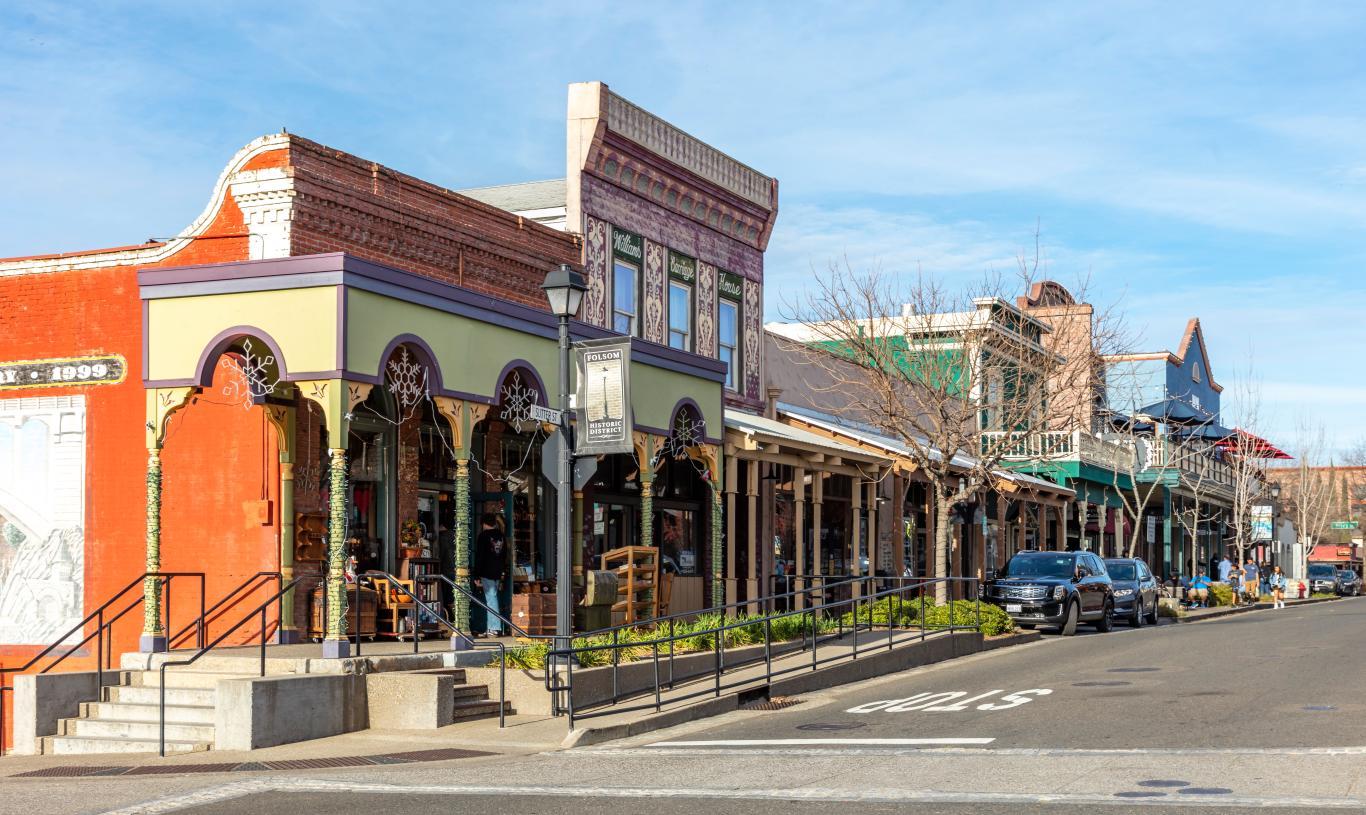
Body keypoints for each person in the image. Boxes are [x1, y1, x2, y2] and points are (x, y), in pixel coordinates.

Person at [473, 513, 508, 638]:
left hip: (486, 571)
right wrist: (502, 570)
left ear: (483, 524)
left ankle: (494, 628)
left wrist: (476, 575)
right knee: (493, 598)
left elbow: (480, 556)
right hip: (498, 571)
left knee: (491, 599)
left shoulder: (483, 536)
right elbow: (504, 554)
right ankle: (491, 628)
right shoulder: (501, 536)